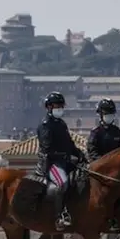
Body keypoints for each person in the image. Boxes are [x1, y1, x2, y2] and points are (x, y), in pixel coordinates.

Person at [35, 91, 87, 231]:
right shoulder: (45, 125)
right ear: (49, 107)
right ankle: (59, 216)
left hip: (65, 162)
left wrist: (80, 155)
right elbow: (47, 149)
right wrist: (64, 156)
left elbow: (69, 144)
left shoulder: (62, 124)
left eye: (61, 106)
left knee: (84, 177)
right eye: (57, 106)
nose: (60, 108)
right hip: (51, 163)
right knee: (62, 183)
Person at [86, 98, 120, 232]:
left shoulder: (117, 132)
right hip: (100, 170)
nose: (110, 116)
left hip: (116, 171)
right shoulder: (95, 133)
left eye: (111, 113)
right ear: (101, 115)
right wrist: (105, 164)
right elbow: (92, 151)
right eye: (107, 113)